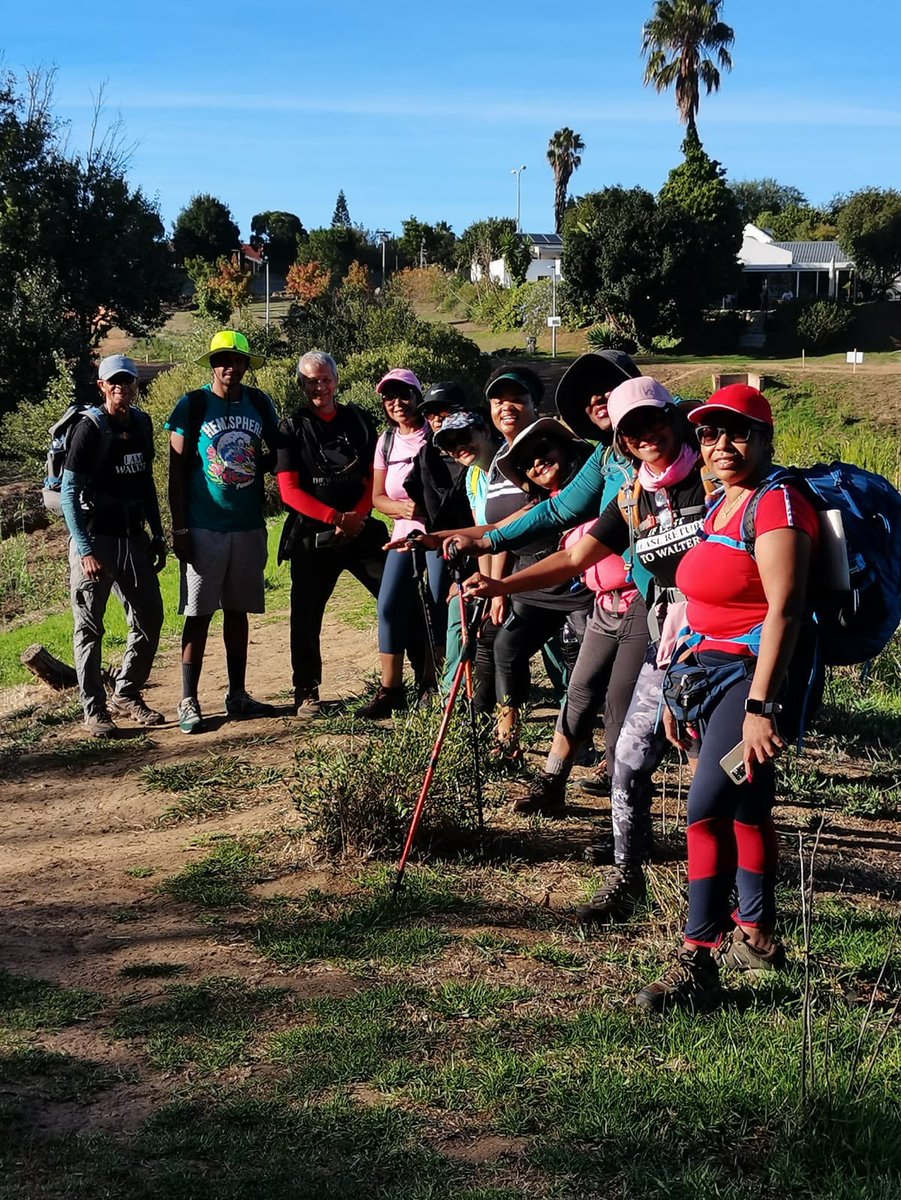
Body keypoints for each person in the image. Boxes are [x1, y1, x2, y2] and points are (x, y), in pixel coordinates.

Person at [463, 377, 712, 921]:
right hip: (659, 629)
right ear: (621, 440)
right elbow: (572, 550)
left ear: (675, 417)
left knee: (709, 765)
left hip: (721, 644)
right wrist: (497, 577)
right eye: (632, 429)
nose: (646, 434)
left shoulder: (715, 480)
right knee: (623, 747)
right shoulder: (630, 494)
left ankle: (732, 896)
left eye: (654, 420)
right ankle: (632, 867)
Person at [635, 384, 821, 1013]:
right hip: (705, 676)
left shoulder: (778, 505)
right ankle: (760, 934)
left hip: (749, 677)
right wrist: (674, 686)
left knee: (705, 811)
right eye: (710, 434)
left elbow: (786, 609)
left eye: (737, 432)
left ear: (766, 436)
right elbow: (696, 605)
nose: (722, 446)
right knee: (745, 808)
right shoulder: (721, 505)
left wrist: (761, 706)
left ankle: (700, 960)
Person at [167, 330, 279, 734]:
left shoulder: (260, 403)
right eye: (221, 360)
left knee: (238, 609)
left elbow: (277, 448)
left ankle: (238, 694)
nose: (228, 367)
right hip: (203, 526)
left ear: (247, 365)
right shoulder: (192, 405)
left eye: (236, 359)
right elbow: (175, 471)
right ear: (212, 365)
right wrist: (179, 528)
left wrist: (258, 466)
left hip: (248, 525)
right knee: (198, 613)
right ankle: (188, 699)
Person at [60, 354, 166, 737]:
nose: (121, 387)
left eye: (128, 381)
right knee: (89, 628)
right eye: (114, 382)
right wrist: (85, 550)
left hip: (133, 538)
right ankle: (94, 711)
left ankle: (127, 692)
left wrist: (158, 533)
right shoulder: (89, 429)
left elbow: (146, 484)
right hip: (96, 540)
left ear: (137, 385)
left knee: (150, 617)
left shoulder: (142, 423)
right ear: (102, 386)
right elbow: (70, 492)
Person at [275, 350, 383, 714]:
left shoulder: (360, 420)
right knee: (305, 614)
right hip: (313, 534)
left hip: (362, 527)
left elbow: (374, 476)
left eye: (325, 379)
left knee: (399, 599)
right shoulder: (291, 428)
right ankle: (306, 690)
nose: (320, 386)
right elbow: (288, 490)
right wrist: (335, 518)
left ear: (336, 380)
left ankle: (422, 678)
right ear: (301, 385)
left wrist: (358, 517)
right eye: (311, 380)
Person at [360, 368, 440, 718]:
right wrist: (402, 508)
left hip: (439, 534)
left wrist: (426, 508)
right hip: (402, 536)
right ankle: (392, 690)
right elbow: (377, 497)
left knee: (438, 606)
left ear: (417, 396)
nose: (397, 403)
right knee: (390, 607)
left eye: (404, 394)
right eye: (389, 397)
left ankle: (432, 684)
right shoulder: (385, 442)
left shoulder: (436, 435)